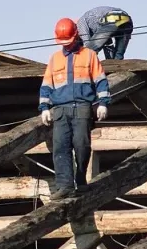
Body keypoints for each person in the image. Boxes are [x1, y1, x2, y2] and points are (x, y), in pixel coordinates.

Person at [38, 18, 110, 199]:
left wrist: (103, 103)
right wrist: (44, 107)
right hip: (61, 110)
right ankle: (65, 186)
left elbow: (100, 80)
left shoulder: (89, 55)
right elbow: (46, 85)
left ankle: (81, 179)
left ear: (76, 35)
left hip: (82, 107)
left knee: (81, 145)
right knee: (60, 148)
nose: (66, 45)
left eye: (68, 40)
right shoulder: (54, 59)